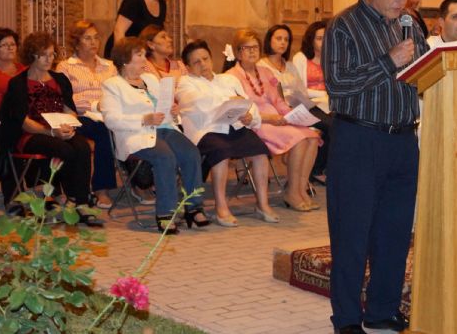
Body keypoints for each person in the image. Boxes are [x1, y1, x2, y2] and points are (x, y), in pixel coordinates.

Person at [322, 0, 429, 334]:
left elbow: (419, 72)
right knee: (352, 233)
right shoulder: (343, 27)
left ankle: (381, 310)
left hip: (402, 140)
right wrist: (389, 60)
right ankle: (348, 319)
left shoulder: (410, 24)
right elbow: (338, 86)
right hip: (358, 139)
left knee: (395, 231)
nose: (403, 0)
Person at [101, 37, 210, 234]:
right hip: (137, 133)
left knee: (191, 153)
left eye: (144, 54)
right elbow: (111, 120)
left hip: (165, 128)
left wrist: (172, 110)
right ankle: (165, 213)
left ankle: (193, 208)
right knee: (164, 157)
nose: (145, 59)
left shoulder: (150, 79)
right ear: (125, 60)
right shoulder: (112, 85)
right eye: (140, 55)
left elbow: (163, 106)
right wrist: (144, 119)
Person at [0, 32, 100, 225]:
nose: (49, 59)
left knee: (82, 147)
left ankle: (80, 202)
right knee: (64, 149)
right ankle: (72, 198)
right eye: (43, 54)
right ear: (31, 55)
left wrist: (69, 126)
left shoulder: (60, 79)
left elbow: (70, 110)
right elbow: (24, 122)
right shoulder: (18, 83)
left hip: (57, 130)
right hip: (30, 134)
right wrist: (51, 132)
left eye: (52, 54)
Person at [177, 40, 278, 227]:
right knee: (221, 154)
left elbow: (248, 102)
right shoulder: (185, 83)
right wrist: (228, 103)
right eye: (197, 62)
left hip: (235, 126)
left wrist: (249, 116)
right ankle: (221, 207)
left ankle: (262, 204)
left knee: (260, 152)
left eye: (205, 59)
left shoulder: (227, 80)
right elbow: (199, 104)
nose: (203, 64)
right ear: (188, 67)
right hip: (207, 130)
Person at [226, 29, 320, 212]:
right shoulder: (231, 77)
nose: (253, 51)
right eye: (247, 48)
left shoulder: (265, 72)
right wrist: (270, 118)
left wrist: (291, 115)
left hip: (277, 119)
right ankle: (291, 192)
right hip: (256, 122)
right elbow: (240, 111)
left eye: (255, 47)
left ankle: (301, 190)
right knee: (300, 139)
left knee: (312, 136)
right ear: (238, 52)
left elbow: (278, 101)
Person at [56, 20, 118, 209]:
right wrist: (92, 104)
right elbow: (65, 98)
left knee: (111, 127)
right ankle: (101, 188)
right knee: (103, 131)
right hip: (79, 115)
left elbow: (118, 91)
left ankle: (142, 182)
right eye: (87, 38)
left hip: (107, 114)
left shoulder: (109, 66)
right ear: (76, 42)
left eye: (96, 38)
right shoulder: (66, 67)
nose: (93, 42)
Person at [259, 24, 331, 185]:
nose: (283, 43)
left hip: (301, 106)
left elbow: (301, 90)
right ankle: (305, 174)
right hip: (280, 111)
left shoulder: (289, 65)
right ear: (269, 41)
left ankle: (312, 171)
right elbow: (266, 97)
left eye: (286, 39)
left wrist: (302, 99)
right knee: (324, 129)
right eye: (278, 38)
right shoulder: (262, 66)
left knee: (335, 124)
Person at [104, 0, 177, 58]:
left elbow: (155, 34)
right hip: (125, 53)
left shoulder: (162, 4)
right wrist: (124, 57)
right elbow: (119, 30)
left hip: (140, 54)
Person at [292, 21, 330, 114]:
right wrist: (324, 94)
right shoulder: (300, 58)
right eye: (319, 38)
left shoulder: (332, 57)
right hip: (309, 103)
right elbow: (299, 91)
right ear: (311, 40)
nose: (324, 42)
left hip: (329, 102)